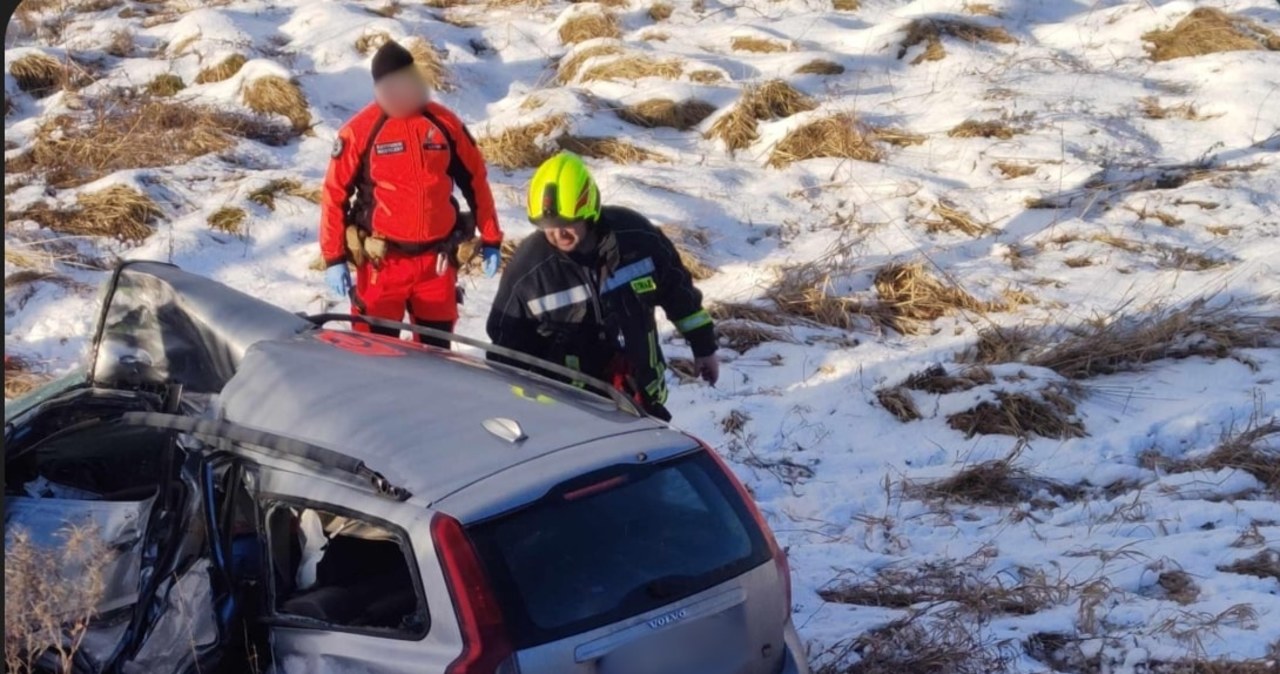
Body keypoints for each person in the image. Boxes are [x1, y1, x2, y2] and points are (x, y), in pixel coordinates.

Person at [486, 151, 719, 421]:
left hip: (642, 398)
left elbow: (678, 293)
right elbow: (506, 348)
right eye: (548, 228)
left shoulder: (637, 239)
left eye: (567, 225)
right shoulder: (529, 270)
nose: (558, 235)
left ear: (589, 213)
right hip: (571, 410)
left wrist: (704, 346)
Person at [319, 40, 502, 348]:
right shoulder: (360, 131)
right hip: (382, 265)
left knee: (435, 356)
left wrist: (492, 237)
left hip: (436, 263)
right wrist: (333, 257)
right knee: (373, 355)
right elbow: (334, 194)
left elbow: (476, 182)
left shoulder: (445, 124)